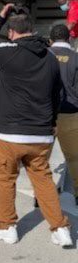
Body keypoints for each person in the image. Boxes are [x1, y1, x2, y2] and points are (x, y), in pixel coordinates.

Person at [0, 4, 72, 247]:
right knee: (43, 180)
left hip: (10, 133)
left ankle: (7, 227)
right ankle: (61, 228)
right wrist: (51, 124)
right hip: (41, 134)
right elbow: (56, 94)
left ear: (11, 32)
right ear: (31, 29)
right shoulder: (50, 58)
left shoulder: (10, 51)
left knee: (5, 178)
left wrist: (0, 17)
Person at [50, 24, 78, 206]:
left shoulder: (42, 55)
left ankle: (41, 194)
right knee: (75, 157)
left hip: (45, 116)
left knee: (41, 159)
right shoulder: (76, 58)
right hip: (71, 113)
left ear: (50, 40)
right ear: (68, 38)